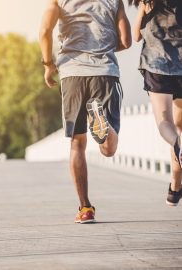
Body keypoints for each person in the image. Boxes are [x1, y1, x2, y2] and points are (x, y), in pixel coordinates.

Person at [39, 0, 131, 223]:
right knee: (108, 149)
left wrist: (48, 64)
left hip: (72, 74)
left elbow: (44, 31)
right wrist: (106, 46)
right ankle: (103, 124)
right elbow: (126, 41)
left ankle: (85, 208)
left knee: (77, 143)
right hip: (105, 73)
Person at [129, 0, 182, 206]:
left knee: (166, 124)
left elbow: (135, 36)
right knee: (179, 127)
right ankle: (175, 186)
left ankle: (176, 178)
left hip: (157, 67)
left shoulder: (147, 2)